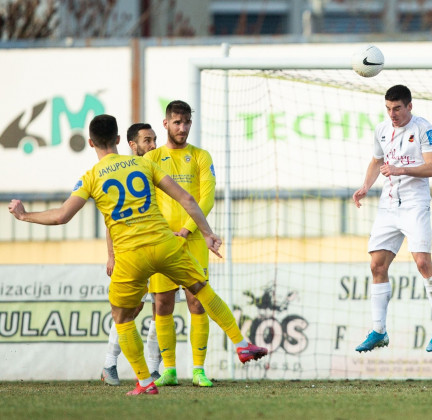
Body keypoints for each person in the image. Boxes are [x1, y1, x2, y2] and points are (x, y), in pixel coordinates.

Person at [8, 114, 267, 396]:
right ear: (120, 140)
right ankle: (241, 343)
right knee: (201, 289)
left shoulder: (91, 177)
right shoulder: (145, 163)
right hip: (166, 244)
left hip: (130, 256)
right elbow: (188, 199)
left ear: (91, 142)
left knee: (122, 317)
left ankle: (144, 381)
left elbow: (61, 217)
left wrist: (24, 216)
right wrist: (206, 233)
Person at [352, 85, 432, 353]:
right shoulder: (382, 129)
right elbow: (376, 161)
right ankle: (379, 331)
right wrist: (365, 187)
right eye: (388, 109)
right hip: (388, 205)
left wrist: (400, 169)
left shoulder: (423, 129)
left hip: (415, 204)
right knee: (376, 266)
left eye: (397, 108)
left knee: (422, 263)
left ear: (409, 106)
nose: (392, 114)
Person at [142, 100, 217, 387]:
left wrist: (186, 229)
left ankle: (198, 369)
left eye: (186, 122)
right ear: (165, 124)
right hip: (162, 241)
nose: (182, 128)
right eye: (177, 122)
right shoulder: (151, 159)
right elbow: (145, 201)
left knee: (197, 302)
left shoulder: (201, 156)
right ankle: (170, 370)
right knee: (162, 303)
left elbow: (206, 198)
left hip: (193, 239)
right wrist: (161, 232)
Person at [101, 123, 161, 386]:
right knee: (131, 308)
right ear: (132, 146)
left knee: (163, 305)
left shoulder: (159, 167)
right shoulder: (124, 172)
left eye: (154, 140)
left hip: (162, 247)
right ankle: (109, 364)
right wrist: (111, 255)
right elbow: (111, 218)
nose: (153, 145)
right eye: (147, 141)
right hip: (131, 252)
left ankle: (154, 368)